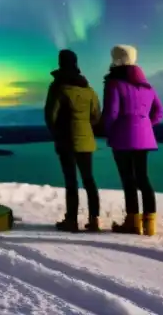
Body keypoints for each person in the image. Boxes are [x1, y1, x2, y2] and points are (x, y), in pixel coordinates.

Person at [101, 44, 163, 236]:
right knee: (143, 178)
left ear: (116, 59)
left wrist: (106, 129)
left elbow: (111, 112)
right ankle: (150, 224)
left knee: (128, 180)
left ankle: (133, 223)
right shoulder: (147, 86)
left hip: (122, 137)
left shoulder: (114, 83)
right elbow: (159, 113)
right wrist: (144, 126)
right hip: (144, 138)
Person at [44, 49, 101, 232]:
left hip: (66, 141)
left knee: (71, 181)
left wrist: (57, 133)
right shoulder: (89, 90)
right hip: (86, 141)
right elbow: (96, 116)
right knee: (89, 179)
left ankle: (72, 220)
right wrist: (85, 128)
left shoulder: (58, 88)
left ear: (60, 63)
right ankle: (94, 219)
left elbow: (50, 116)